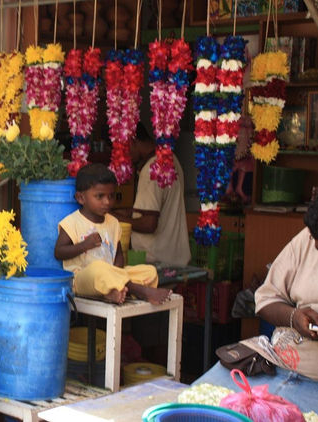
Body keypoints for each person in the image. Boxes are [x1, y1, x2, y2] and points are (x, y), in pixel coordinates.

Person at [194, 197, 318, 412]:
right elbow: (266, 299)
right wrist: (295, 317)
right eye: (314, 237)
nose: (315, 245)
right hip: (274, 364)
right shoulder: (308, 239)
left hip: (312, 382)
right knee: (196, 403)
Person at [54, 163, 172, 305]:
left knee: (149, 271)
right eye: (100, 196)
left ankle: (114, 290)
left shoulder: (114, 223)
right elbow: (59, 252)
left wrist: (116, 273)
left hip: (110, 275)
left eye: (111, 196)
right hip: (82, 279)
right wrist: (85, 245)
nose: (107, 202)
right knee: (99, 269)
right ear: (80, 198)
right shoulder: (72, 222)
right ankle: (139, 291)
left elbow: (119, 256)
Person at [113, 124, 191, 267]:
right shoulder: (171, 158)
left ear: (132, 141)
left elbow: (149, 224)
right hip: (174, 257)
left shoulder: (151, 169)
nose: (124, 156)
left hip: (156, 261)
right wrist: (131, 212)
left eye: (123, 149)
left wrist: (116, 218)